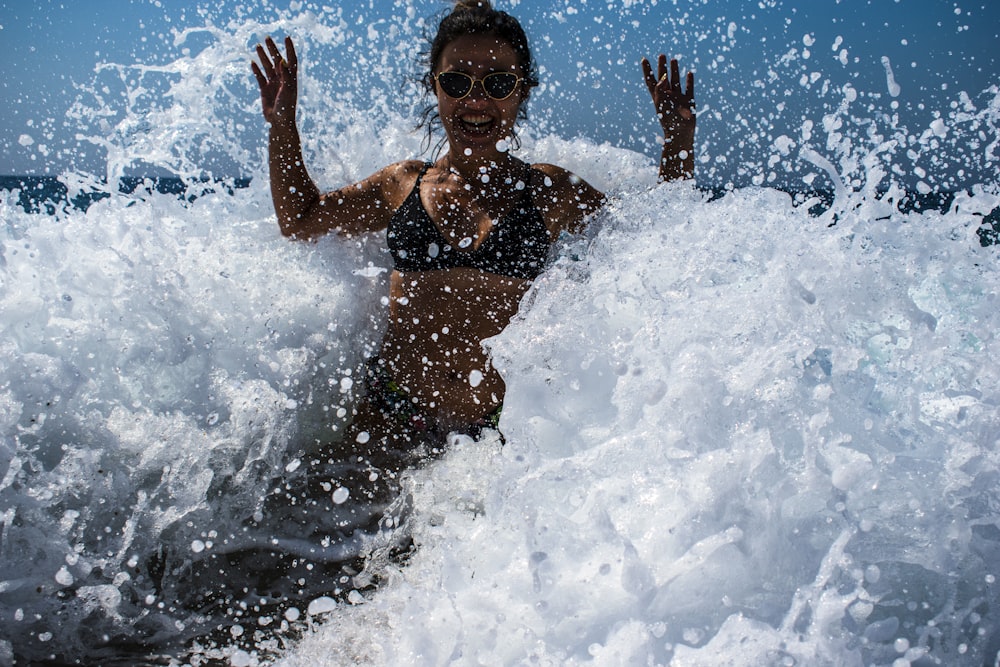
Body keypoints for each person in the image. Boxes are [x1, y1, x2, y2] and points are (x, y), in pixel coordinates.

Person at [252, 0, 695, 470]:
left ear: (522, 91)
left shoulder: (549, 191)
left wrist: (678, 141)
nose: (477, 100)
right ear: (435, 87)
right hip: (395, 411)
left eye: (498, 83)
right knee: (315, 532)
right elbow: (300, 220)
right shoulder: (402, 183)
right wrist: (282, 127)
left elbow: (655, 240)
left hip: (500, 431)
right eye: (457, 82)